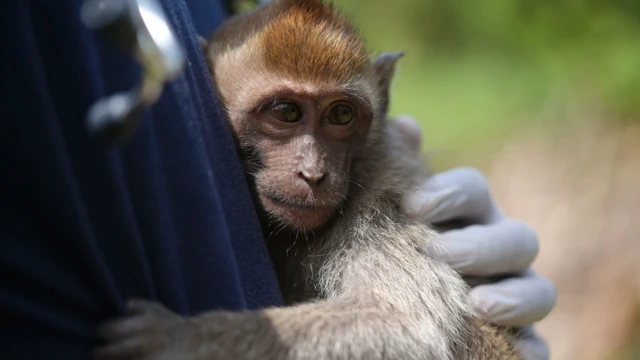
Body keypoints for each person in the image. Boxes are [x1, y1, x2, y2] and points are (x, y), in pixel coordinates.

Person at [0, 0, 555, 359]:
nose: (313, 168)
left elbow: (409, 330)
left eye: (342, 116)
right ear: (205, 83)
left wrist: (203, 341)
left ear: (381, 97)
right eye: (284, 114)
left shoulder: (382, 177)